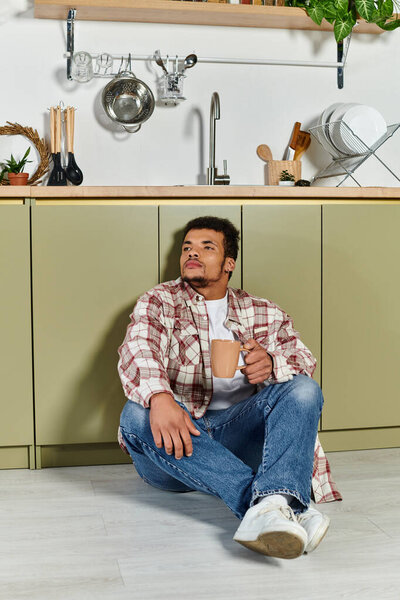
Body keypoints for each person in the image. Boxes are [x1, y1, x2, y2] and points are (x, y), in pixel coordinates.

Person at [117, 216, 342, 560]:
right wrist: (160, 397)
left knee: (305, 389)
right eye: (187, 247)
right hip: (176, 445)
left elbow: (302, 358)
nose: (193, 253)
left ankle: (270, 508)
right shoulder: (160, 301)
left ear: (229, 263)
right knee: (134, 415)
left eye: (207, 247)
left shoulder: (263, 311)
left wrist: (271, 362)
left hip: (240, 436)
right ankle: (281, 504)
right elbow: (138, 348)